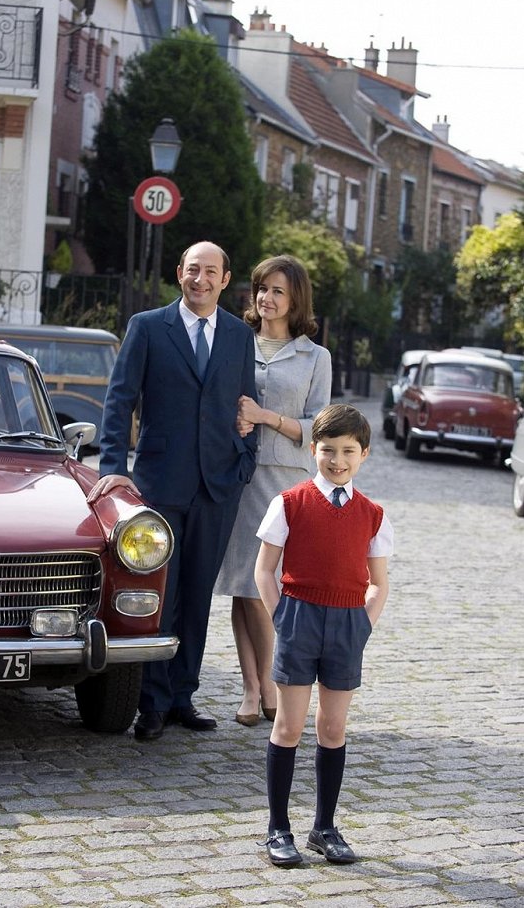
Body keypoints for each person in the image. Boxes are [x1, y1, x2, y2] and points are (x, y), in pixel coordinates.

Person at [88, 241, 257, 741]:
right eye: (192, 270)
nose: (200, 279)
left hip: (219, 485)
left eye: (210, 272)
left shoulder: (237, 335)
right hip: (161, 482)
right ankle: (153, 704)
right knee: (160, 595)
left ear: (225, 280)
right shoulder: (146, 327)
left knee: (198, 593)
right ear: (178, 274)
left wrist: (245, 462)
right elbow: (119, 401)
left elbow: (247, 403)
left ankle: (184, 695)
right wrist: (116, 469)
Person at [254, 403, 393, 867]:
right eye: (328, 450)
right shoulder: (289, 503)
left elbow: (379, 582)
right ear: (313, 449)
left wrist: (361, 626)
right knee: (289, 726)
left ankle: (325, 827)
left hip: (347, 625)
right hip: (299, 619)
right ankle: (278, 828)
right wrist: (282, 620)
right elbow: (264, 571)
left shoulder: (373, 514)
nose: (338, 460)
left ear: (364, 454)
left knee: (332, 727)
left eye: (348, 451)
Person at [214, 255, 332, 727]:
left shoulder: (314, 357)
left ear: (295, 299)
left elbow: (319, 427)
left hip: (285, 482)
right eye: (261, 288)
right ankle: (252, 686)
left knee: (269, 587)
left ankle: (272, 683)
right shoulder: (236, 342)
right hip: (236, 476)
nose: (267, 298)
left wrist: (266, 417)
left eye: (278, 291)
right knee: (243, 586)